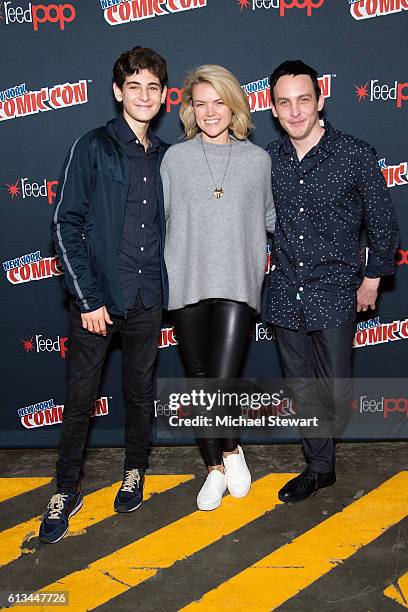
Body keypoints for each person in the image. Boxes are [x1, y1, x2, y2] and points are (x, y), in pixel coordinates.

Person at [39, 47, 169, 544]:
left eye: (152, 87)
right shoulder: (91, 145)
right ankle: (66, 486)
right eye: (133, 86)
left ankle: (135, 468)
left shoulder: (165, 156)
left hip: (148, 298)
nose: (143, 95)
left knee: (139, 395)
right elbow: (65, 223)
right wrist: (88, 298)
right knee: (79, 401)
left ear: (162, 95)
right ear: (118, 92)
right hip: (97, 302)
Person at [265, 59, 400, 503]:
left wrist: (373, 280)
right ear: (273, 109)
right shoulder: (267, 161)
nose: (295, 110)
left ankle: (324, 451)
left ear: (320, 100)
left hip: (336, 292)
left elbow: (384, 225)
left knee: (335, 393)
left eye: (303, 99)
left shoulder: (355, 154)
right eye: (285, 102)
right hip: (285, 292)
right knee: (302, 389)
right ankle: (319, 467)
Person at [160, 64, 276, 511]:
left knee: (222, 379)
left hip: (237, 282)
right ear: (190, 108)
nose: (210, 111)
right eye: (200, 102)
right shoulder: (175, 159)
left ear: (234, 105)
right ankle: (217, 464)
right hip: (186, 280)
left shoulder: (258, 160)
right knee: (199, 379)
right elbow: (158, 221)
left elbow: (271, 220)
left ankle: (230, 451)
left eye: (218, 101)